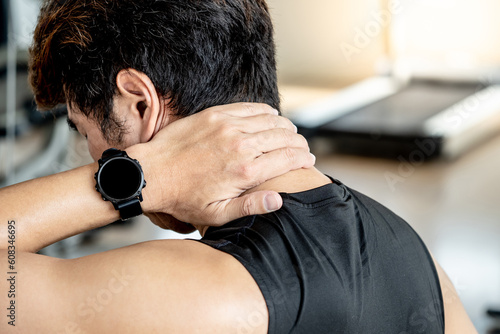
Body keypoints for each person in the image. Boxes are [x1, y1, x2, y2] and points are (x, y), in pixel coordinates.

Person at [0, 0, 477, 333]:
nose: (90, 152)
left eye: (85, 132)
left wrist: (138, 178)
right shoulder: (419, 260)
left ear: (140, 104)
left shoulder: (198, 293)